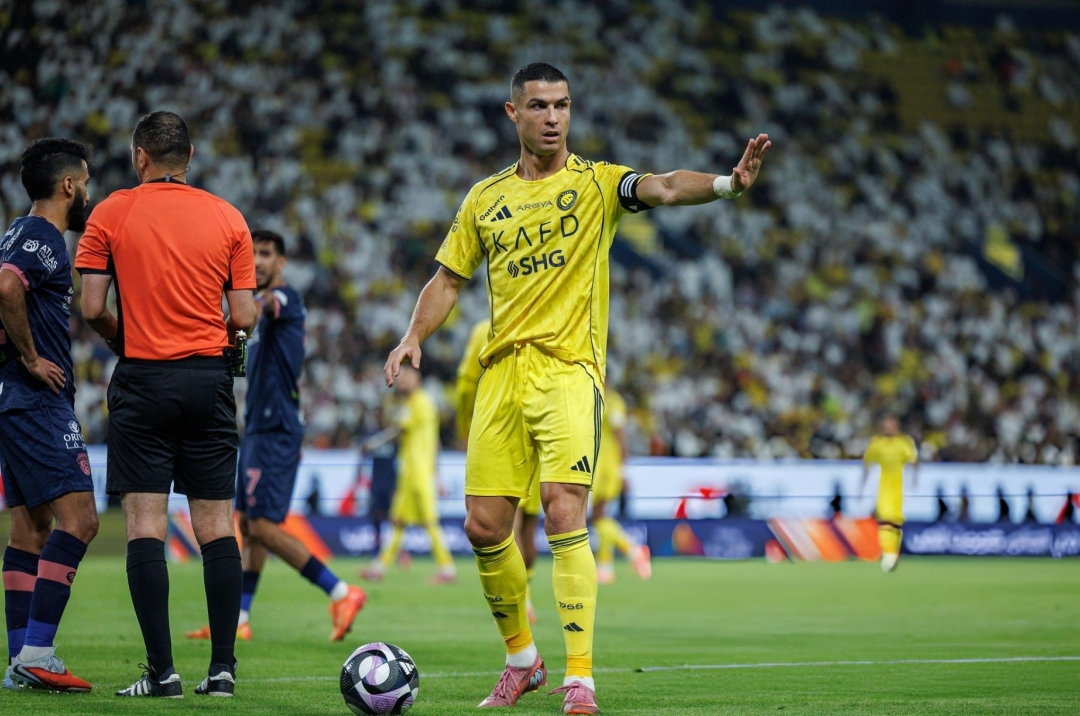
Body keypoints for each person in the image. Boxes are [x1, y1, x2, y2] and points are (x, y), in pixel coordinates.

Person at [383, 63, 770, 713]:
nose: (553, 117)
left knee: (563, 509)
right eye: (539, 106)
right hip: (501, 373)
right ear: (513, 114)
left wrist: (728, 184)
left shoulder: (597, 183)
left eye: (562, 105)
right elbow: (447, 280)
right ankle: (522, 661)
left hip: (568, 370)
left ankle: (580, 678)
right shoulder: (485, 198)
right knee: (483, 526)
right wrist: (412, 335)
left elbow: (664, 186)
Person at [75, 111, 257, 698]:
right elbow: (244, 316)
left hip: (144, 378)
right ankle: (222, 671)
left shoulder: (111, 212)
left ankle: (162, 673)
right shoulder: (228, 216)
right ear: (191, 156)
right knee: (216, 526)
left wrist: (122, 338)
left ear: (140, 157)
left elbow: (92, 306)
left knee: (145, 525)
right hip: (208, 381)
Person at [185, 230, 366, 643]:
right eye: (253, 254)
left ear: (281, 261)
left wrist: (232, 304)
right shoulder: (258, 315)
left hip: (277, 429)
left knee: (265, 528)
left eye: (265, 253)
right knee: (249, 527)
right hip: (257, 429)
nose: (259, 261)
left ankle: (342, 592)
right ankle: (239, 618)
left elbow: (265, 304)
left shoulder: (284, 299)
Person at [0, 139, 98, 693]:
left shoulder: (17, 230)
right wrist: (33, 358)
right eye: (85, 183)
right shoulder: (43, 236)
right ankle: (38, 652)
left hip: (12, 401)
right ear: (68, 185)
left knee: (30, 529)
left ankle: (19, 661)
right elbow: (6, 286)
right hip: (36, 401)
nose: (87, 193)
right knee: (80, 521)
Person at [457, 319, 539, 622]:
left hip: (501, 429)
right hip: (541, 428)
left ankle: (522, 601)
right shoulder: (540, 319)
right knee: (528, 528)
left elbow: (465, 384)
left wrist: (464, 427)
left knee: (510, 525)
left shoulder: (484, 329)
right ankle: (527, 593)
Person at [360, 364, 456, 583]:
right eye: (401, 379)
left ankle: (447, 568)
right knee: (398, 520)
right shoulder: (414, 402)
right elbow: (434, 441)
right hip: (409, 472)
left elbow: (398, 430)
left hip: (419, 472)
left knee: (429, 521)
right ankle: (379, 567)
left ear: (417, 380)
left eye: (406, 378)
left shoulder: (420, 402)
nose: (402, 382)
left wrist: (373, 444)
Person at [591, 386, 650, 585]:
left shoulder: (613, 402)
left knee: (598, 516)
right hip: (600, 464)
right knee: (601, 516)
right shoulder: (596, 395)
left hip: (606, 466)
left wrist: (623, 469)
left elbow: (620, 435)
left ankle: (632, 551)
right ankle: (606, 565)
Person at [859, 415, 918, 573]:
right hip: (882, 488)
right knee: (884, 518)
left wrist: (914, 483)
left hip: (900, 487)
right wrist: (862, 488)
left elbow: (913, 463)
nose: (888, 427)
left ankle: (893, 552)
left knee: (895, 520)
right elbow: (867, 465)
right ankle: (888, 553)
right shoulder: (876, 444)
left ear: (897, 425)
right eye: (885, 424)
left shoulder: (904, 443)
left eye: (891, 424)